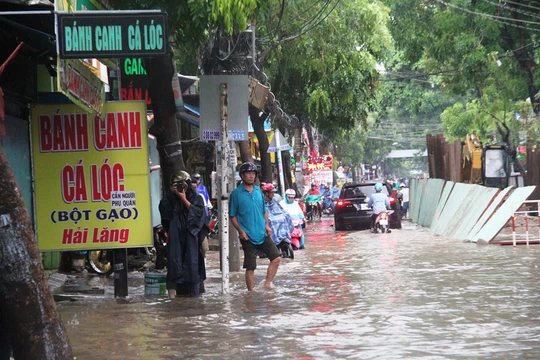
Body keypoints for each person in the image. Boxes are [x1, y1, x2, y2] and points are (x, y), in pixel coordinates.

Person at [229, 162, 281, 291]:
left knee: (276, 258)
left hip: (262, 233)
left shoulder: (258, 191)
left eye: (253, 174)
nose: (251, 176)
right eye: (248, 174)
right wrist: (240, 231)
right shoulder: (236, 194)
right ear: (242, 175)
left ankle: (267, 283)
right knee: (250, 267)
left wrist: (267, 226)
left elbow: (264, 211)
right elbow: (232, 216)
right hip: (247, 235)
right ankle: (250, 293)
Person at [159, 170, 208, 298]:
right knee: (174, 266)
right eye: (177, 184)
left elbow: (198, 216)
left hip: (192, 238)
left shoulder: (196, 198)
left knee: (193, 266)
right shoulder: (169, 199)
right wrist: (171, 194)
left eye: (183, 183)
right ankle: (173, 300)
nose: (181, 186)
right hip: (176, 239)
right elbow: (165, 216)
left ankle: (195, 297)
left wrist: (184, 199)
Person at [261, 183, 294, 251]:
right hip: (268, 218)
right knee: (272, 221)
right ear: (267, 193)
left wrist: (285, 214)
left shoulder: (274, 200)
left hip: (277, 215)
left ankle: (283, 236)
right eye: (272, 192)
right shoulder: (261, 202)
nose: (273, 194)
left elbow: (281, 209)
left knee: (286, 217)